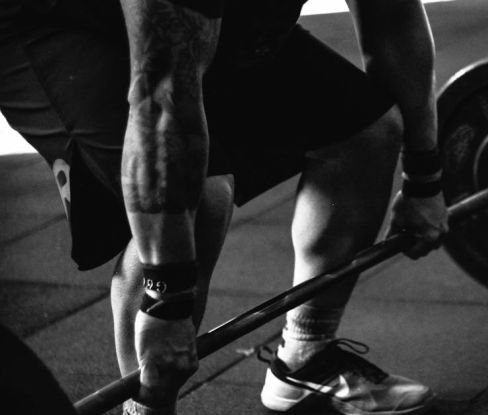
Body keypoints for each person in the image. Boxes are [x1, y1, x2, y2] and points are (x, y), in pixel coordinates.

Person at [0, 0, 448, 414]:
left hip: (206, 23)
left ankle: (307, 357)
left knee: (368, 134)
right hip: (52, 21)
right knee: (199, 199)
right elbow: (163, 99)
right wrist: (167, 303)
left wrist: (424, 178)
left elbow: (393, 22)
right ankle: (146, 410)